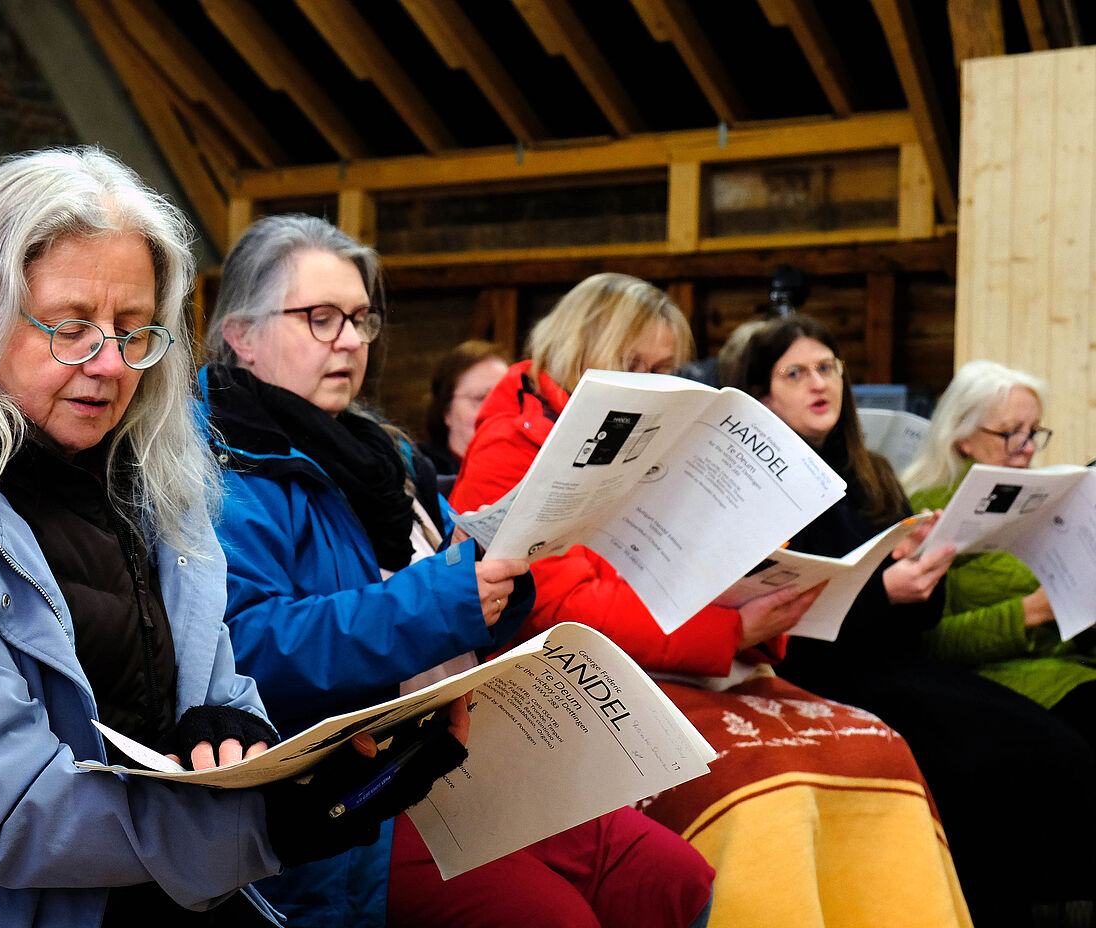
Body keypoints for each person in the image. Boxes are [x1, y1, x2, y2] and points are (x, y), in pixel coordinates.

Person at [0, 149, 467, 928]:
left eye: (135, 330)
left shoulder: (149, 483)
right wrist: (278, 815)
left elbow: (215, 679)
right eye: (70, 328)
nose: (109, 363)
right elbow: (11, 810)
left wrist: (227, 732)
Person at [201, 216, 715, 928]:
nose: (350, 340)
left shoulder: (385, 456)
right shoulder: (224, 467)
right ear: (241, 334)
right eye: (320, 319)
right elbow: (247, 647)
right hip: (352, 792)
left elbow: (459, 559)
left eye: (359, 318)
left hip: (461, 748)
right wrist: (449, 597)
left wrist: (514, 574)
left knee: (674, 880)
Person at [452, 273, 973, 928]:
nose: (652, 382)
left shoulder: (660, 431)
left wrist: (767, 577)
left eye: (664, 369)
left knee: (880, 751)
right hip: (585, 679)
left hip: (692, 655)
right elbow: (558, 607)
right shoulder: (515, 437)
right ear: (580, 352)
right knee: (762, 798)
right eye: (632, 365)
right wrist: (730, 626)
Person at [731, 314, 1096, 927]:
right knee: (991, 760)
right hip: (828, 673)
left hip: (898, 659)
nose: (819, 383)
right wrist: (885, 594)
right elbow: (793, 627)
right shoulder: (757, 485)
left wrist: (920, 578)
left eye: (828, 368)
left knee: (1049, 745)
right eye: (796, 373)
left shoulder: (867, 471)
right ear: (763, 396)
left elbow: (917, 623)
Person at [902, 360, 1096, 748]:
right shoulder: (927, 512)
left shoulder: (1047, 492)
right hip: (995, 681)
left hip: (1074, 666)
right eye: (1010, 433)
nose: (1026, 447)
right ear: (963, 437)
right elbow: (928, 644)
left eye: (1033, 431)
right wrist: (1035, 611)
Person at [419, 339, 509, 478]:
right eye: (480, 398)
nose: (497, 409)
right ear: (447, 411)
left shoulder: (529, 464)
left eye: (506, 396)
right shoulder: (423, 473)